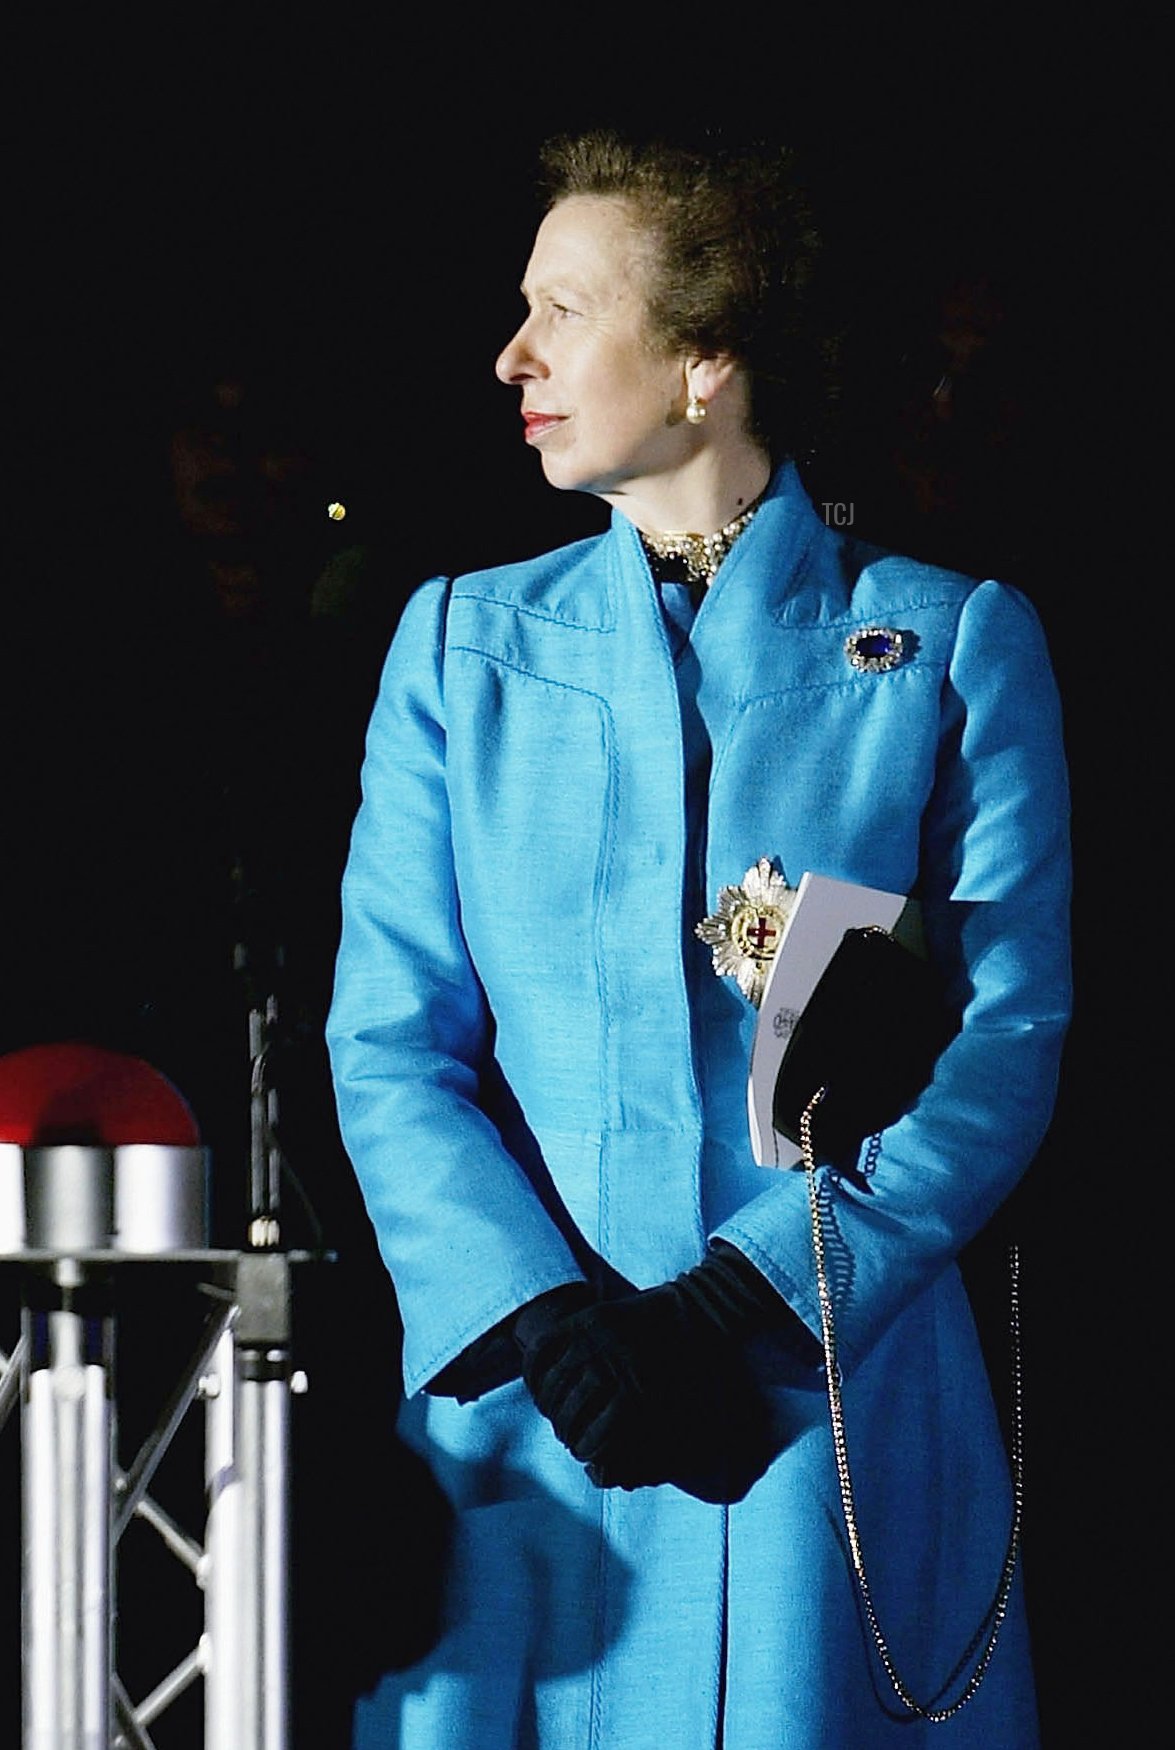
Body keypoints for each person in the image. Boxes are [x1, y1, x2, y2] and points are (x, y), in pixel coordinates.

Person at [325, 126, 1071, 1749]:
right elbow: (389, 1042)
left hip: (829, 1405)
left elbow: (1006, 1042)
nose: (514, 355)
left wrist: (744, 1297)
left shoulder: (945, 643)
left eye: (564, 310)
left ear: (702, 361)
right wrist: (547, 1321)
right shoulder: (460, 647)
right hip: (542, 1426)